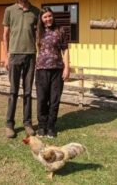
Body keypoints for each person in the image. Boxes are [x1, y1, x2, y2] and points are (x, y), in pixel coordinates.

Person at [3, 0, 40, 139]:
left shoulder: (35, 11)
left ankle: (27, 123)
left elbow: (39, 35)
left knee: (27, 92)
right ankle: (9, 124)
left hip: (31, 55)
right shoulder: (9, 10)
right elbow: (5, 35)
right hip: (15, 55)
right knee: (13, 91)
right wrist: (6, 55)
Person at [35, 7, 70, 138]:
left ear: (52, 16)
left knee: (54, 99)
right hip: (41, 70)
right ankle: (41, 126)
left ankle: (51, 126)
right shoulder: (38, 31)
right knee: (42, 99)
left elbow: (65, 50)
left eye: (50, 16)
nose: (48, 19)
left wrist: (67, 68)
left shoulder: (60, 30)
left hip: (57, 70)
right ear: (41, 19)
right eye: (45, 17)